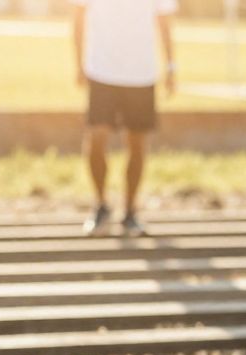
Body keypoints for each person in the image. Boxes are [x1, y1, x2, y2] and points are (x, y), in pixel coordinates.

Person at [72, 0, 177, 237]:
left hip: (141, 73)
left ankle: (130, 212)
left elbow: (165, 21)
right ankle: (101, 205)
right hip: (101, 70)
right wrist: (78, 63)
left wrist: (171, 66)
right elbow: (78, 16)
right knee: (97, 137)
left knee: (137, 143)